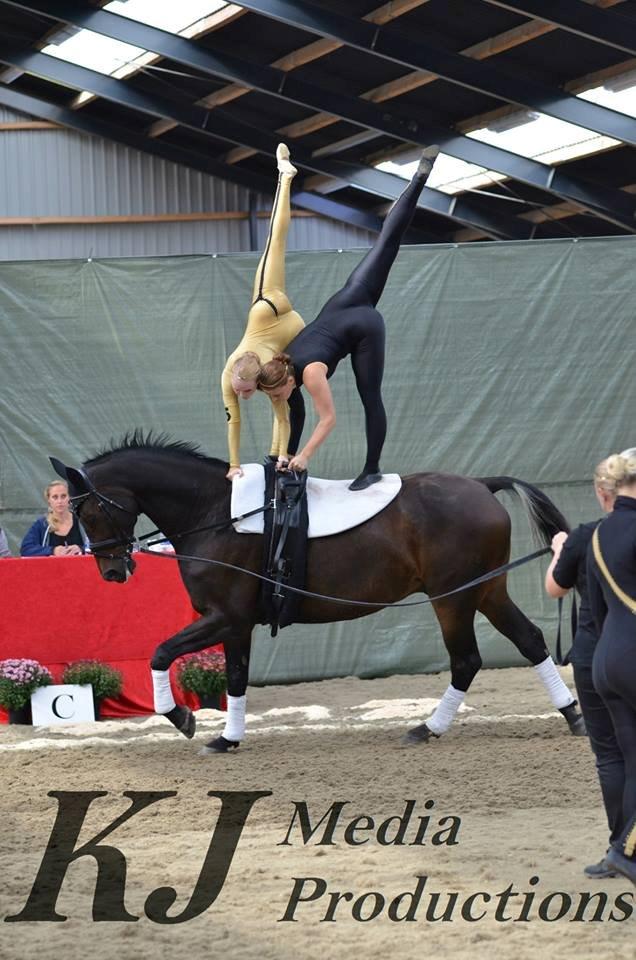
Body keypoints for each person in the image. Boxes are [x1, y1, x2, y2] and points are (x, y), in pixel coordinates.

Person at [256, 145, 440, 491]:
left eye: (275, 394)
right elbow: (297, 416)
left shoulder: (308, 374)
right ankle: (418, 179)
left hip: (364, 327)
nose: (276, 399)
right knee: (385, 243)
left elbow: (328, 419)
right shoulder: (282, 368)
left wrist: (304, 456)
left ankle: (372, 468)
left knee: (370, 395)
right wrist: (286, 454)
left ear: (286, 382)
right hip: (347, 298)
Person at [545, 457, 624, 879]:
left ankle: (622, 849)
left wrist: (560, 550)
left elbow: (554, 586)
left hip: (598, 656)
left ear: (601, 493)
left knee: (610, 756)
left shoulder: (586, 536)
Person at [220, 143, 305, 480]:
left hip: (267, 308)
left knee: (275, 241)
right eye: (242, 391)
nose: (241, 395)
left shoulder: (256, 375)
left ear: (255, 378)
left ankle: (285, 178)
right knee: (288, 406)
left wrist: (235, 464)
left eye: (244, 390)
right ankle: (275, 457)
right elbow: (236, 421)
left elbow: (271, 415)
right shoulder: (240, 378)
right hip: (292, 325)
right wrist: (235, 465)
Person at [586, 449, 636, 886]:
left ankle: (623, 849)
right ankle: (625, 851)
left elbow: (599, 609)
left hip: (608, 658)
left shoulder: (598, 534)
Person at [20, 480, 88, 557]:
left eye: (63, 496)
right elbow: (26, 549)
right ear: (49, 500)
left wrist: (81, 549)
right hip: (50, 568)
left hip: (81, 568)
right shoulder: (42, 524)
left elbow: (100, 546)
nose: (60, 501)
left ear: (70, 498)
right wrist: (52, 550)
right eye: (55, 497)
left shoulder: (82, 521)